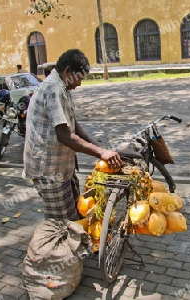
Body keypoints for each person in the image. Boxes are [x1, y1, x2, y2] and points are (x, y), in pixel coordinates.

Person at [22, 49, 122, 221]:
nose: (79, 85)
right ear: (68, 71)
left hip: (63, 167)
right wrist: (101, 153)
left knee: (77, 210)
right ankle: (55, 247)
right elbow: (65, 136)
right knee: (64, 223)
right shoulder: (53, 89)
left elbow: (73, 125)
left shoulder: (63, 87)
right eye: (79, 78)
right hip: (49, 171)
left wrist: (100, 149)